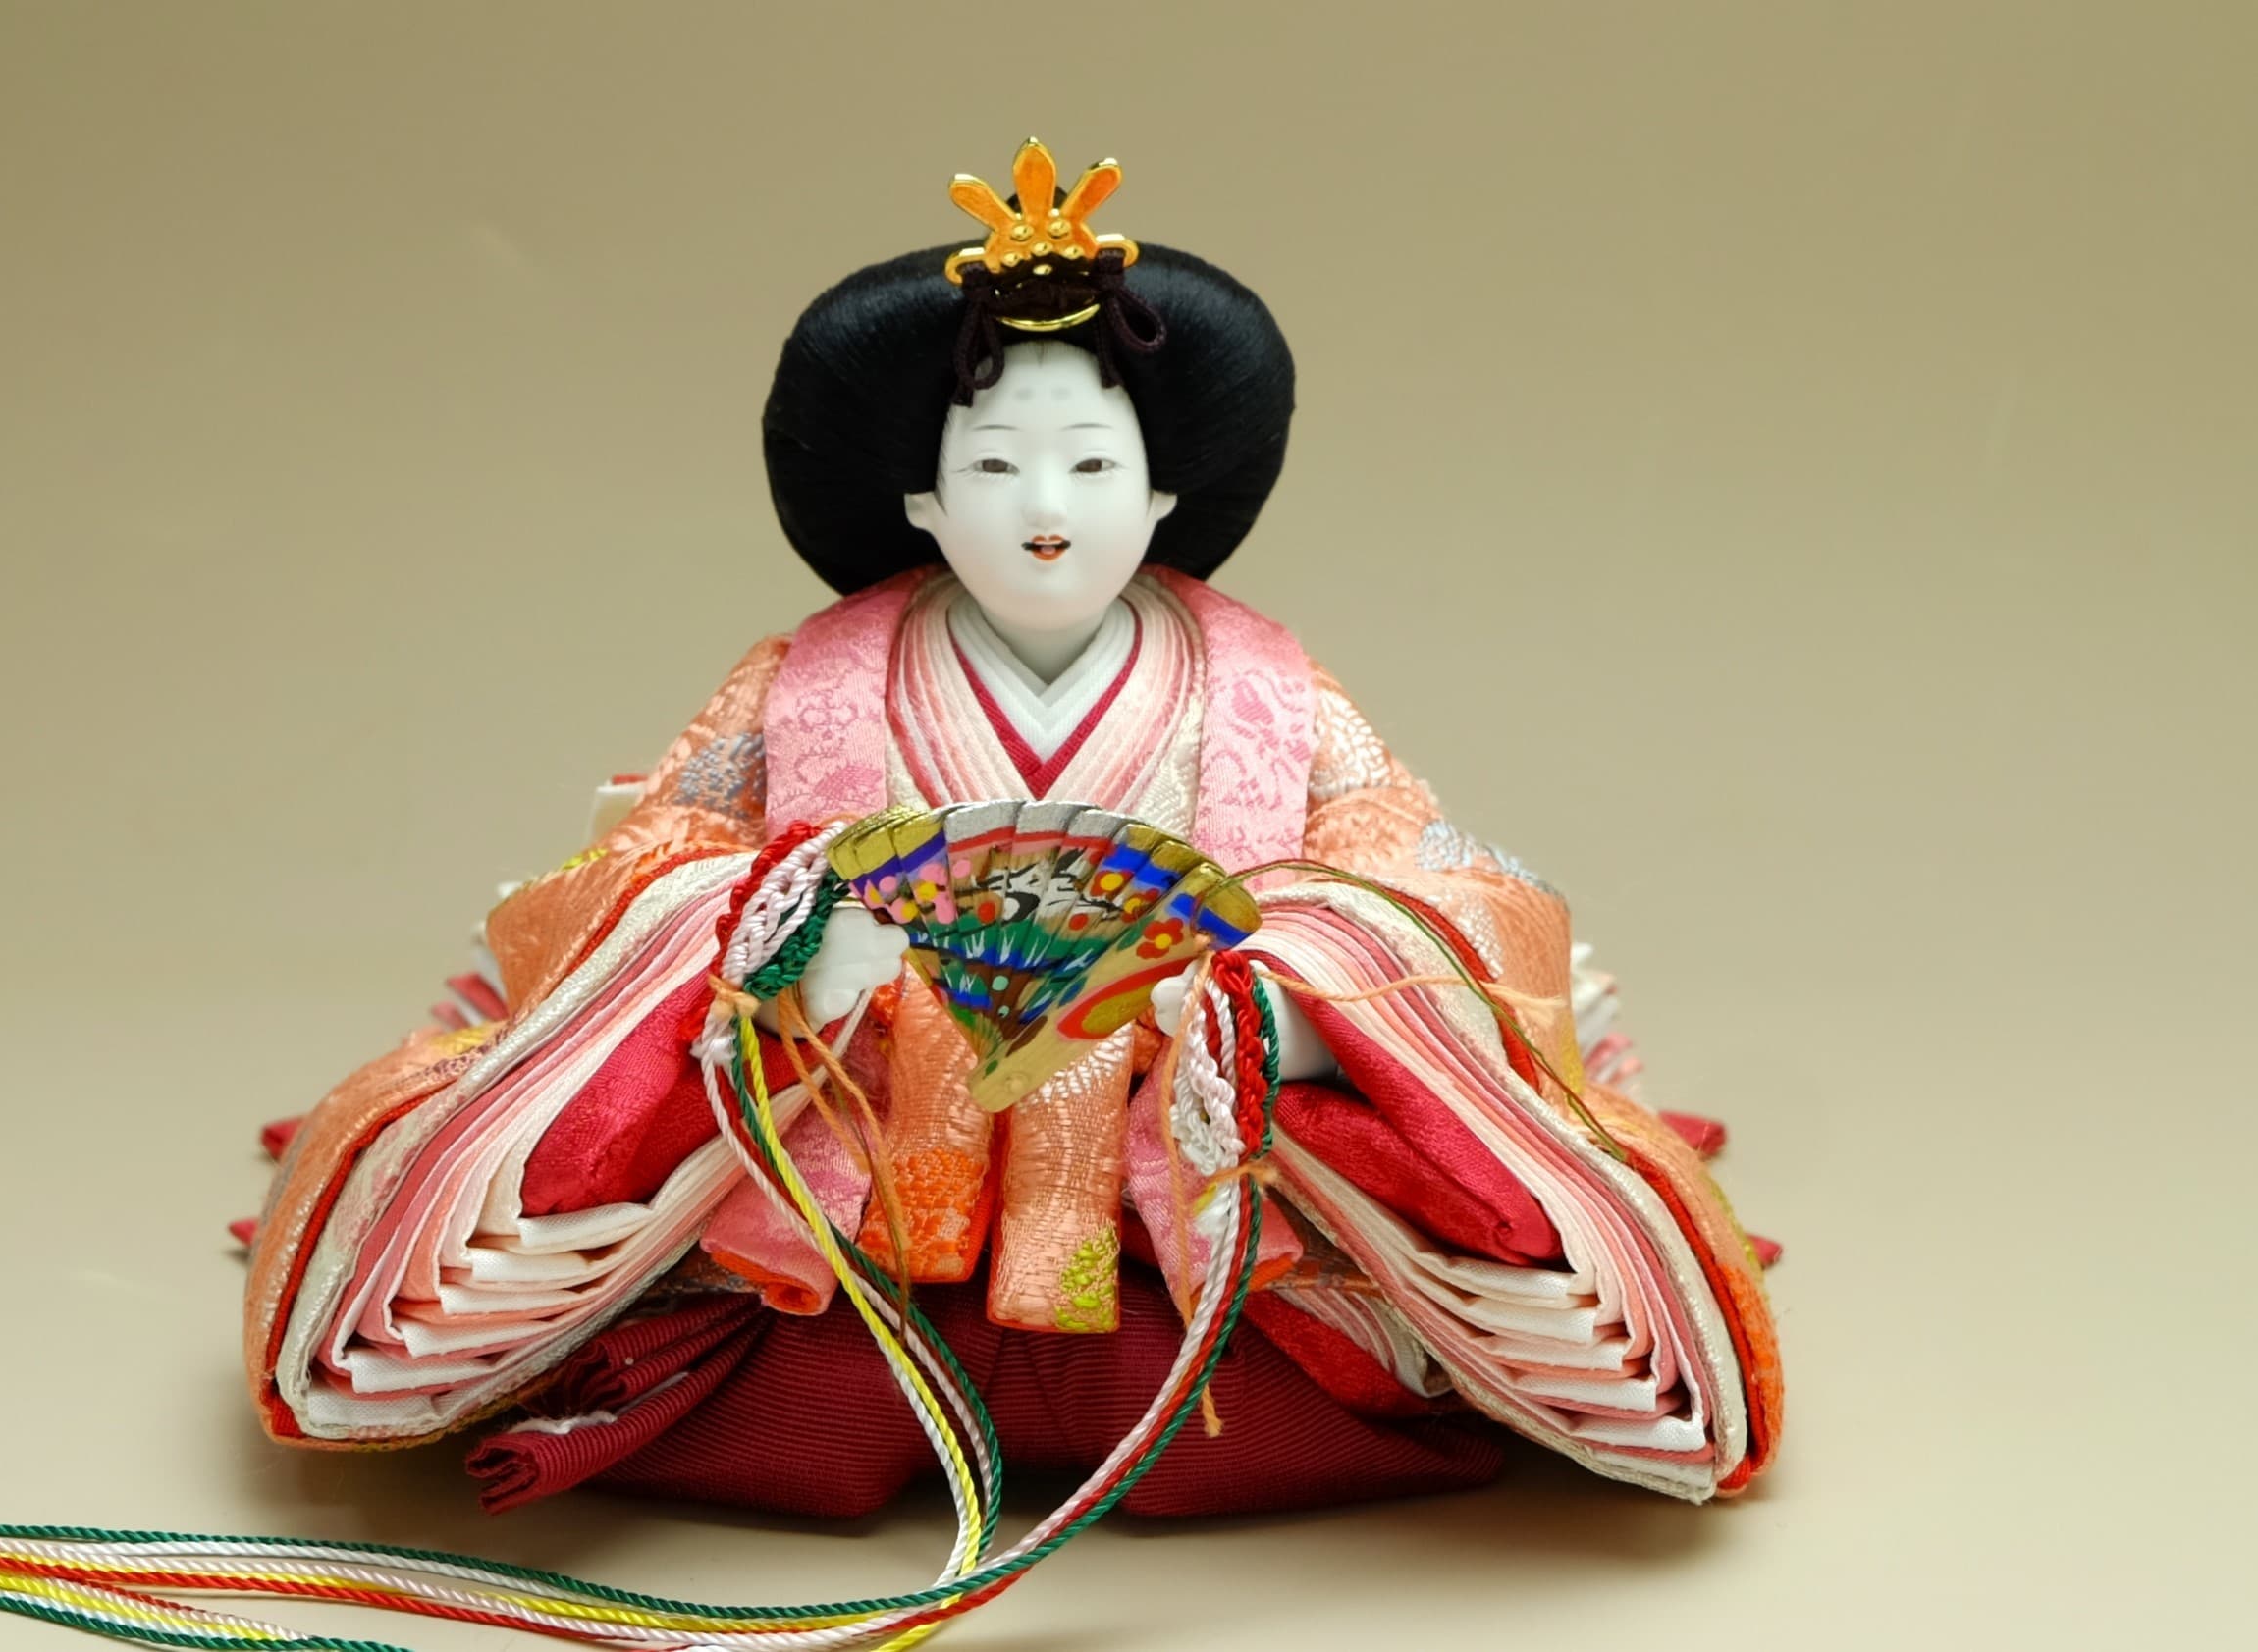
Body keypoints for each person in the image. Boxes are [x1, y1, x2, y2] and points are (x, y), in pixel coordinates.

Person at [241, 141, 1781, 1520]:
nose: (1046, 508)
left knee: (1419, 1197)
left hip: (1178, 1141)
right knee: (648, 1252)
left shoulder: (1266, 689)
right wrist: (786, 943)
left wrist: (1296, 1003)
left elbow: (1402, 851)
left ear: (1160, 494)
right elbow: (648, 853)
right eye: (993, 467)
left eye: (1092, 466)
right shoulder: (804, 681)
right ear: (920, 503)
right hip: (856, 1145)